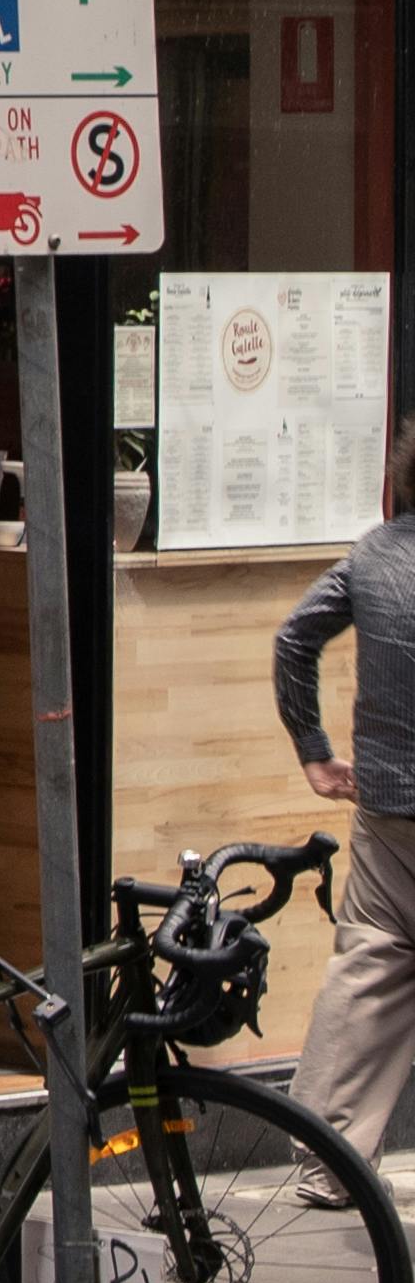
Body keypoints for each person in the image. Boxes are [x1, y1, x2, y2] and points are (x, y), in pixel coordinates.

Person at [275, 411, 415, 1172]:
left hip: (388, 808)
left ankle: (327, 1159)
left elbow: (294, 638)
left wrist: (315, 753)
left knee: (367, 969)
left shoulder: (370, 556)